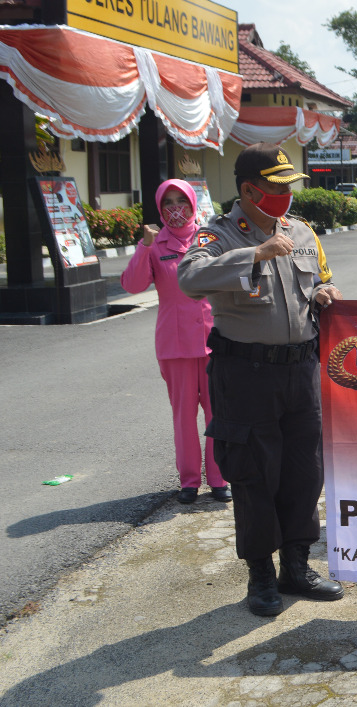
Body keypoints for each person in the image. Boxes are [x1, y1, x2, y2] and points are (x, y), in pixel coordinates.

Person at [177, 143, 345, 616]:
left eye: (289, 185)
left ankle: (296, 566)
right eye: (277, 186)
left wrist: (325, 291)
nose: (287, 194)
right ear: (251, 190)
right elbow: (189, 279)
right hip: (246, 374)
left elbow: (320, 281)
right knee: (254, 476)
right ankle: (261, 576)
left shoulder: (303, 231)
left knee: (303, 471)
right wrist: (256, 253)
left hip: (300, 369)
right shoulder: (221, 234)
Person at [120, 179, 228, 505]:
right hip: (174, 344)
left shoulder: (210, 239)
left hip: (214, 342)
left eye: (181, 199)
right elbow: (133, 285)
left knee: (218, 413)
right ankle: (190, 482)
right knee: (183, 416)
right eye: (168, 202)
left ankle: (220, 479)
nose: (175, 208)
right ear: (159, 207)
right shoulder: (155, 244)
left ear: (194, 202)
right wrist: (144, 247)